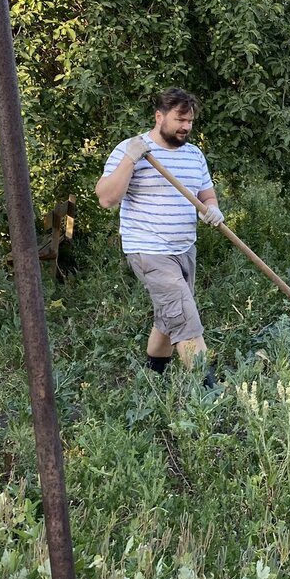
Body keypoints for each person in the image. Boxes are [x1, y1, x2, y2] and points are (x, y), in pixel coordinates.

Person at [95, 88, 224, 384]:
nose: (186, 127)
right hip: (149, 250)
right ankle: (210, 390)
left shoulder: (194, 154)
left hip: (184, 249)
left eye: (190, 121)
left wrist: (213, 209)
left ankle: (154, 377)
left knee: (169, 315)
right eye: (180, 119)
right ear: (159, 116)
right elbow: (106, 199)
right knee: (184, 317)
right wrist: (130, 159)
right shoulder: (131, 150)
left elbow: (206, 193)